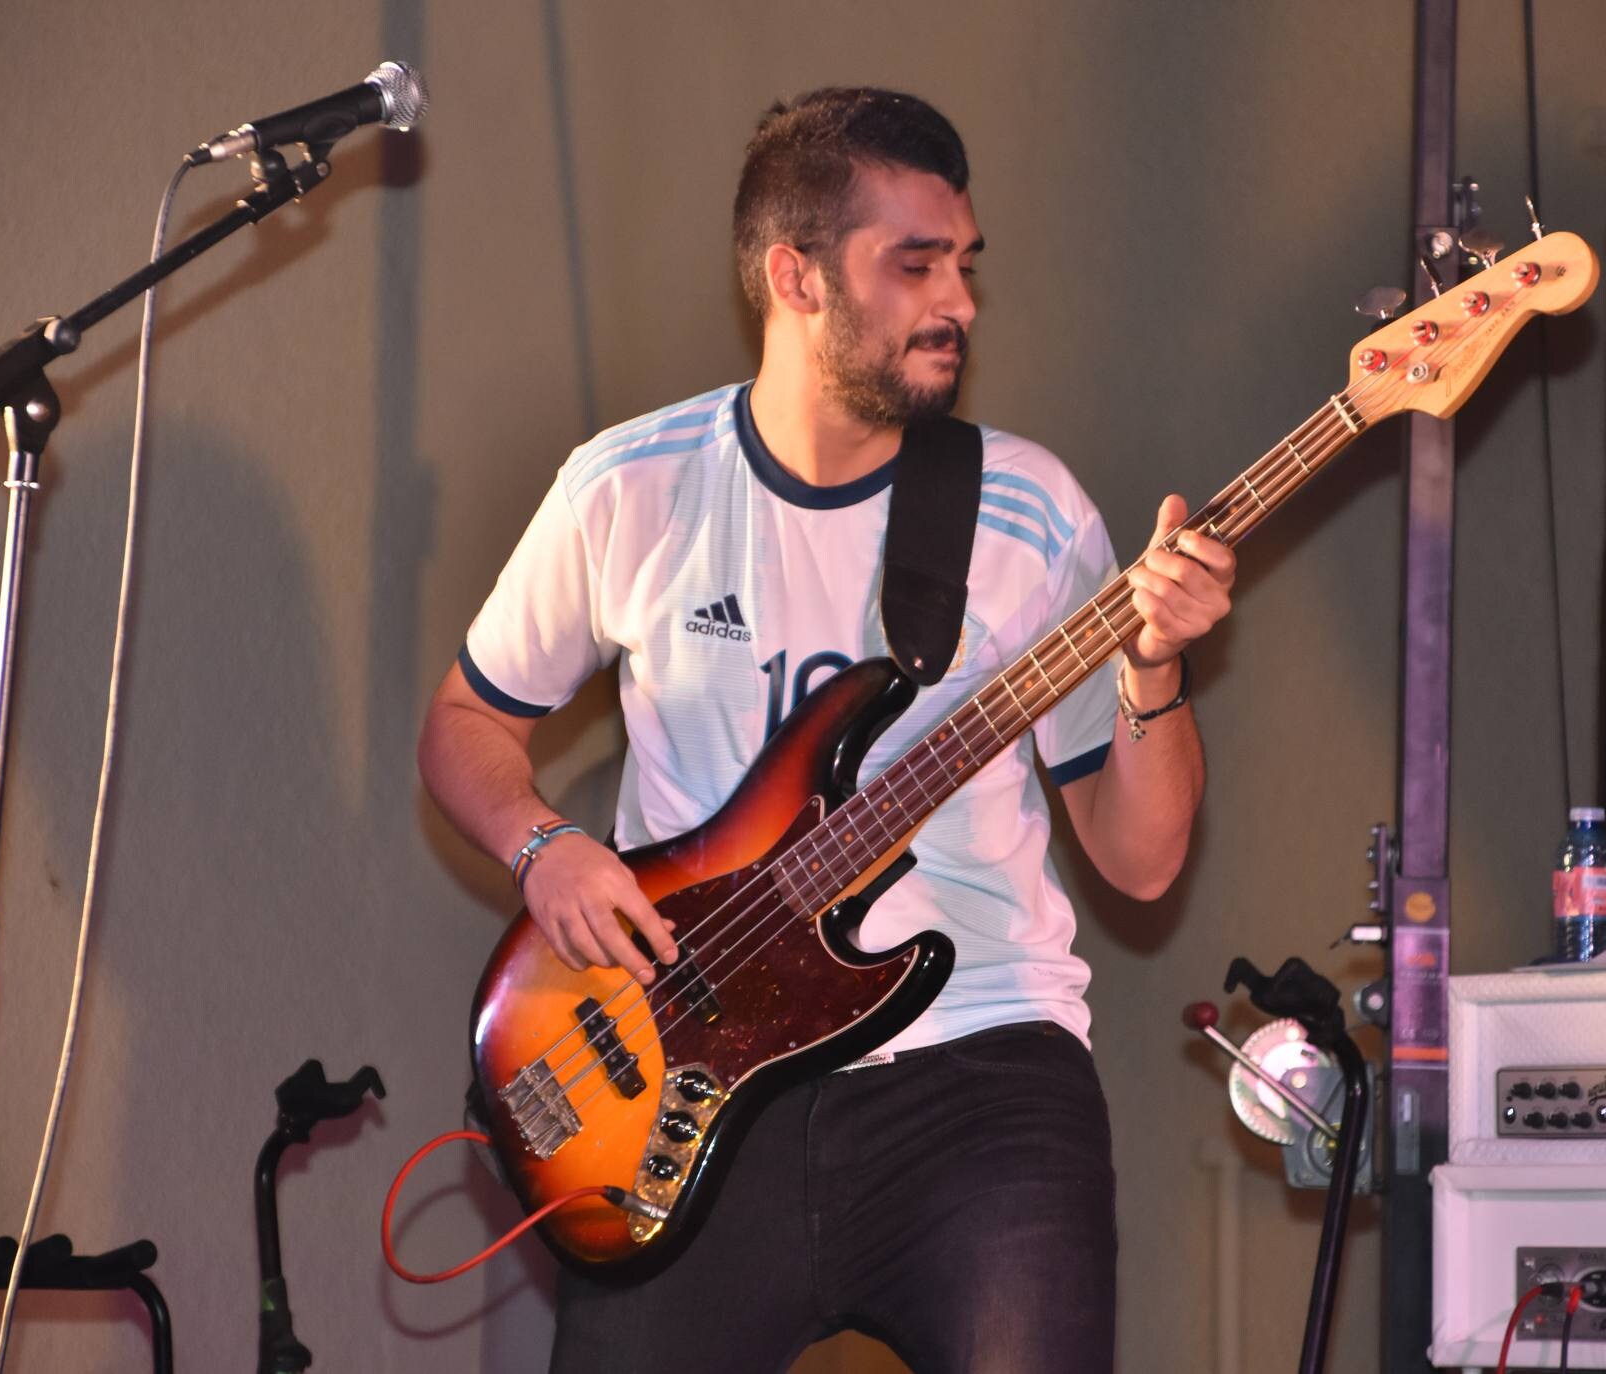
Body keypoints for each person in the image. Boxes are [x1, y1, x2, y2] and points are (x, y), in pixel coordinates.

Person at [418, 86, 1234, 1374]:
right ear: (793, 277)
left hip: (978, 1069)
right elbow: (467, 721)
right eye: (913, 266)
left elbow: (1138, 863)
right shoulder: (630, 487)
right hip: (683, 1067)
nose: (956, 299)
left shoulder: (1029, 510)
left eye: (963, 264)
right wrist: (544, 850)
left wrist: (1156, 669)